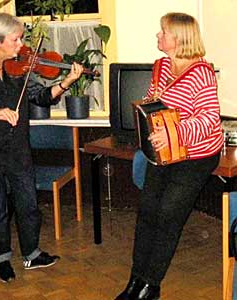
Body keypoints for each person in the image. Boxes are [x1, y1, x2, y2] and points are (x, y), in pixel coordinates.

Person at [0, 12, 83, 283]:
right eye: (16, 39)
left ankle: (31, 254)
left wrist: (66, 83)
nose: (21, 45)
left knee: (28, 204)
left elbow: (41, 97)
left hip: (17, 149)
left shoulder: (18, 67)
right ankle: (2, 260)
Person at [114, 12, 223, 300]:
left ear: (179, 38)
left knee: (168, 216)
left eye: (163, 32)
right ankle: (134, 280)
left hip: (197, 155)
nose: (158, 36)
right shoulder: (161, 66)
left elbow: (210, 119)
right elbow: (154, 102)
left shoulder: (202, 73)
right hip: (165, 151)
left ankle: (151, 284)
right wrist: (150, 104)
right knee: (147, 212)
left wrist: (175, 133)